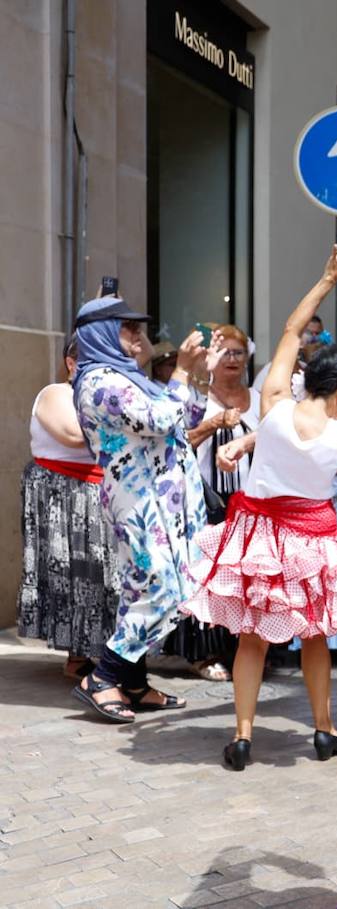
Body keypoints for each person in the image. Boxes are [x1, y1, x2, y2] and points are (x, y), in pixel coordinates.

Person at [181, 238, 337, 770]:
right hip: (311, 540)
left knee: (252, 641)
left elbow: (289, 330)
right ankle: (325, 731)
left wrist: (329, 278)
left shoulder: (275, 405)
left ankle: (241, 737)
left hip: (257, 536)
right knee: (314, 639)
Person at [70, 296, 211, 723]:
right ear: (102, 332)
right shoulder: (99, 382)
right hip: (137, 500)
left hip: (160, 500)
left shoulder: (130, 377)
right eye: (128, 328)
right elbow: (159, 420)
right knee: (158, 585)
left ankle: (132, 684)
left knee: (147, 586)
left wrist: (198, 375)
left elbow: (188, 415)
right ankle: (102, 676)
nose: (137, 337)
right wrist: (182, 370)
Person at [17, 337, 120, 678]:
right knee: (77, 576)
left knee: (106, 577)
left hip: (101, 493)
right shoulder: (55, 394)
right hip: (63, 496)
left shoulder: (102, 396)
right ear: (71, 363)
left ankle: (107, 653)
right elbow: (75, 436)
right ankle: (79, 655)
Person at [163, 322, 258, 682]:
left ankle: (246, 649)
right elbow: (176, 445)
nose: (232, 360)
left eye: (238, 352)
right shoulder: (195, 398)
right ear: (210, 359)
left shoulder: (261, 398)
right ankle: (205, 653)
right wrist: (213, 424)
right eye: (225, 353)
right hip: (207, 500)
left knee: (246, 577)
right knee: (210, 576)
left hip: (250, 499)